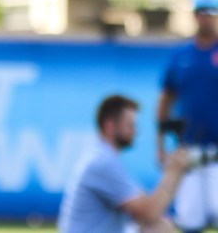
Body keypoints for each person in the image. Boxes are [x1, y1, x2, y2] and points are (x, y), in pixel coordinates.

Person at [59, 94, 192, 233]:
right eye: (130, 125)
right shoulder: (103, 162)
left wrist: (175, 172)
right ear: (109, 125)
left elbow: (148, 206)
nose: (136, 131)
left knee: (159, 226)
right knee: (158, 228)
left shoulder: (103, 157)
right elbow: (148, 214)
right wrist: (175, 171)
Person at [156, 0, 218, 233]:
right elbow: (165, 101)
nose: (206, 16)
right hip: (189, 150)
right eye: (202, 11)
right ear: (194, 15)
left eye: (212, 11)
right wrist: (161, 145)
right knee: (190, 219)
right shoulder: (181, 56)